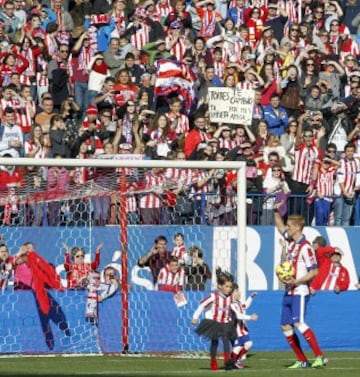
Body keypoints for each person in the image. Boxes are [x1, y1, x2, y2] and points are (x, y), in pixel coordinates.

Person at [274, 210, 327, 368]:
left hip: (300, 291)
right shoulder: (290, 242)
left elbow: (314, 271)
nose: (287, 228)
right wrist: (275, 210)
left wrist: (297, 280)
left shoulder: (306, 247)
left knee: (299, 323)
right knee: (285, 325)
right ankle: (302, 360)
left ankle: (320, 356)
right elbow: (279, 226)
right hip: (288, 291)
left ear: (297, 227)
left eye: (290, 226)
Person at [191, 267, 236, 371]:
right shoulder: (214, 296)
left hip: (225, 322)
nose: (229, 289)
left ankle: (227, 362)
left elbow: (232, 308)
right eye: (227, 286)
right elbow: (202, 305)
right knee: (214, 341)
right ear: (220, 286)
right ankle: (213, 361)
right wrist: (195, 317)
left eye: (230, 287)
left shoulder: (230, 297)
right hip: (214, 322)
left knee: (226, 340)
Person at [230, 285, 259, 369]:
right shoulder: (231, 305)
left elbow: (245, 305)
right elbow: (238, 316)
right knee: (236, 349)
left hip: (243, 330)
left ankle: (236, 360)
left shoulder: (238, 303)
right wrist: (250, 317)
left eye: (238, 291)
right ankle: (233, 362)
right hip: (234, 332)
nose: (239, 293)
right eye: (236, 291)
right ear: (231, 294)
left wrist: (251, 297)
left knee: (249, 344)